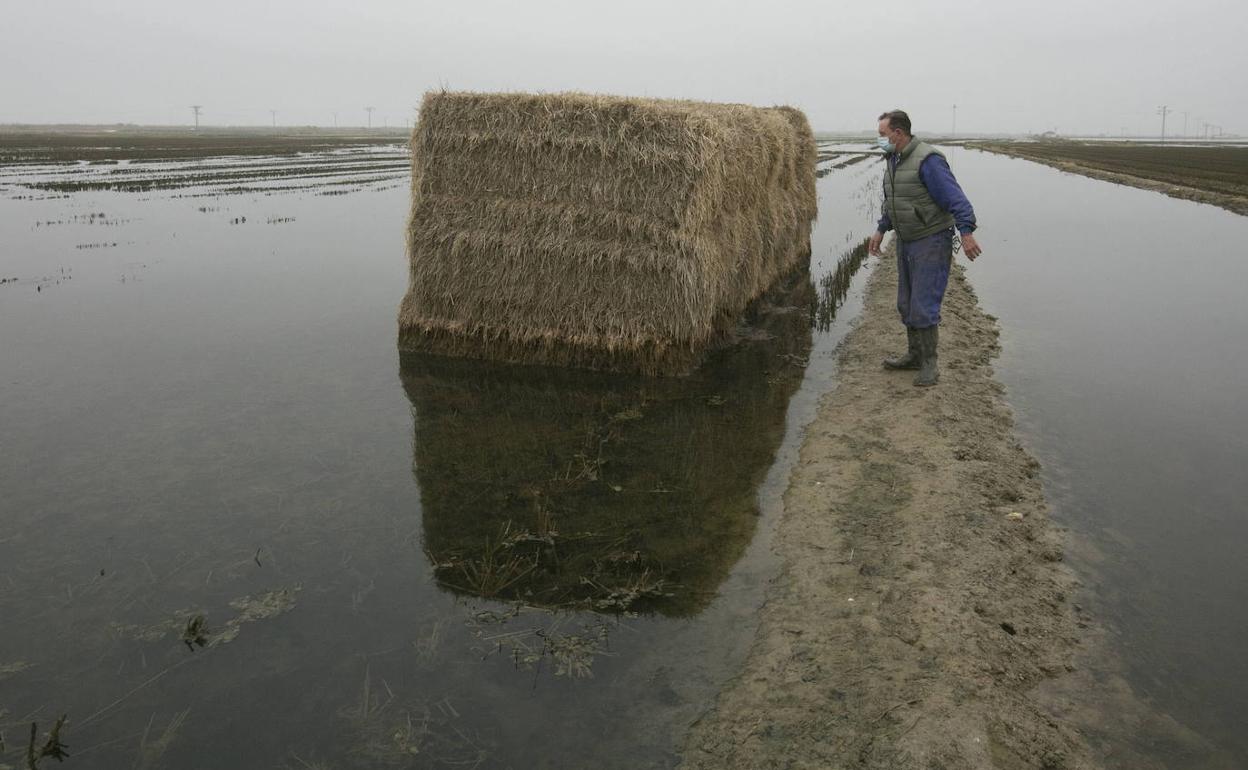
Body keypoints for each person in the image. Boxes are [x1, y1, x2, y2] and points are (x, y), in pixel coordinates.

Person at [867, 110, 982, 387]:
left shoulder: (928, 161)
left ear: (898, 133)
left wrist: (966, 233)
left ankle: (930, 365)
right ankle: (914, 355)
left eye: (882, 134)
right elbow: (894, 200)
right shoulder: (893, 160)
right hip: (907, 239)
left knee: (924, 302)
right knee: (905, 302)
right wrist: (882, 228)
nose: (879, 140)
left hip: (931, 240)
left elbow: (957, 200)